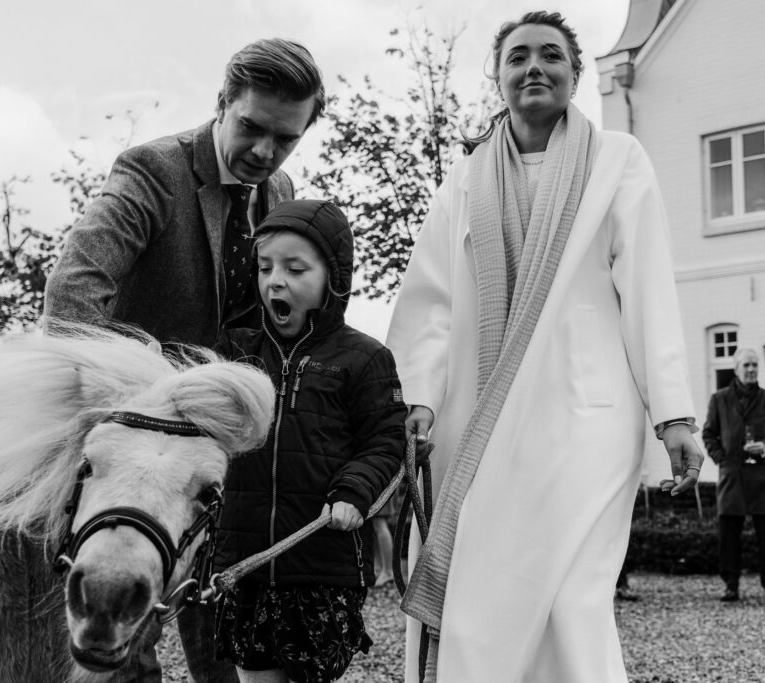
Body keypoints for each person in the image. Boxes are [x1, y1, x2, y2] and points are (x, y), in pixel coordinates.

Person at [385, 11, 704, 681]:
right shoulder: (465, 178)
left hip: (585, 416)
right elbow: (430, 301)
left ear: (575, 74)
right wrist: (415, 399)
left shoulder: (618, 160)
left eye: (552, 55)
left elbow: (647, 287)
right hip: (477, 416)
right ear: (498, 77)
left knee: (571, 594)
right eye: (519, 56)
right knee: (478, 587)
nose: (535, 66)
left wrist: (672, 412)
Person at [42, 39, 325, 683]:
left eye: (285, 138)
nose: (264, 151)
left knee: (222, 622)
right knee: (125, 641)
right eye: (251, 128)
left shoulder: (278, 188)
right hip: (144, 448)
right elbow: (73, 291)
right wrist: (127, 409)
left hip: (225, 446)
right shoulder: (150, 169)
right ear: (222, 102)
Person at [213, 199, 405, 683]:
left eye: (295, 268)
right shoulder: (235, 350)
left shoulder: (365, 358)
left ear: (333, 278)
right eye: (265, 267)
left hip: (323, 561)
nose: (275, 280)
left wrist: (355, 492)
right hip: (246, 558)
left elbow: (386, 442)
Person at [702, 348, 765, 602]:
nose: (751, 369)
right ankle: (731, 585)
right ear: (736, 369)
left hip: (761, 476)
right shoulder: (719, 399)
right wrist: (721, 459)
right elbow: (709, 434)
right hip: (732, 475)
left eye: (754, 365)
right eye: (746, 365)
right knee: (729, 533)